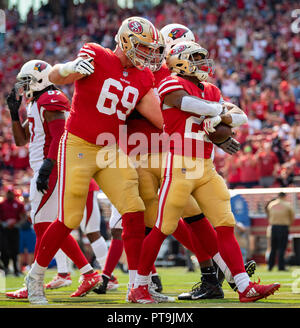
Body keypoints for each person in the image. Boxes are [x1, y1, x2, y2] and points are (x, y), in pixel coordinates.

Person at [96, 23, 245, 301]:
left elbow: (187, 117)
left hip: (165, 154)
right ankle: (208, 273)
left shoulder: (168, 76)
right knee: (159, 220)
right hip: (147, 153)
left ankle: (212, 273)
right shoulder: (148, 74)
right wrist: (214, 126)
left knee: (180, 218)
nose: (156, 54)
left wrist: (216, 128)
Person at [25, 16, 165, 305]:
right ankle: (35, 277)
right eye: (143, 48)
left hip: (110, 148)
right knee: (70, 217)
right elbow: (55, 76)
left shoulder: (143, 77)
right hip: (78, 144)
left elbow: (161, 119)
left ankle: (139, 286)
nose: (148, 55)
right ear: (125, 41)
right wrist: (68, 68)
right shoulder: (96, 54)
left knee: (134, 209)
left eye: (151, 49)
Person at [129, 41, 280, 304]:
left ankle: (245, 287)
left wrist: (219, 115)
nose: (202, 64)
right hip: (180, 166)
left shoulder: (210, 89)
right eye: (196, 58)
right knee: (162, 227)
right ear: (180, 61)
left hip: (206, 167)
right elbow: (183, 102)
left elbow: (241, 117)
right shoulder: (170, 83)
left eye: (202, 58)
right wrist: (218, 112)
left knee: (225, 224)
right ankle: (139, 285)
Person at [5, 59, 102, 303]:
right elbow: (21, 140)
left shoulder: (51, 98)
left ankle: (34, 282)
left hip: (52, 167)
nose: (24, 87)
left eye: (27, 81)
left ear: (40, 79)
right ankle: (88, 273)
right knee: (47, 227)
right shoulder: (37, 101)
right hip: (46, 167)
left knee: (42, 227)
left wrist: (49, 167)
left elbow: (60, 136)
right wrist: (14, 114)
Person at [0, 187, 27, 276]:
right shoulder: (2, 204)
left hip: (15, 230)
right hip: (4, 230)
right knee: (5, 249)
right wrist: (4, 223)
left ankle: (16, 269)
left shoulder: (18, 204)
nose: (9, 194)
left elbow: (24, 216)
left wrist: (17, 224)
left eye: (11, 193)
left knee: (15, 250)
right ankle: (6, 268)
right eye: (8, 193)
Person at [266, 192, 295, 271]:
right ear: (284, 197)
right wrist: (288, 223)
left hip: (274, 227)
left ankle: (270, 266)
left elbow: (268, 214)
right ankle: (281, 266)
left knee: (273, 248)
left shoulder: (271, 204)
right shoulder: (287, 205)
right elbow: (292, 216)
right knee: (282, 248)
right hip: (283, 227)